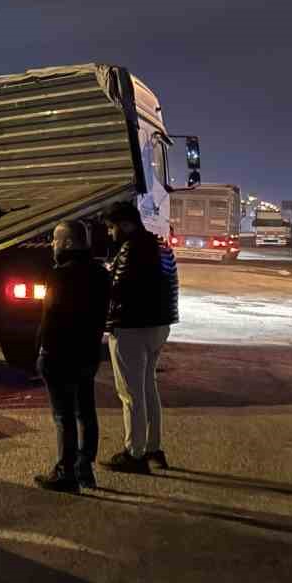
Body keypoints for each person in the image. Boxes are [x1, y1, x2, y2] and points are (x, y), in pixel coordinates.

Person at [32, 220, 112, 493]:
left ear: (67, 243)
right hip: (88, 352)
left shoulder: (60, 275)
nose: (52, 245)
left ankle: (65, 473)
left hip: (59, 354)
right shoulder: (101, 274)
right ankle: (84, 468)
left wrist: (42, 350)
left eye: (55, 240)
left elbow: (50, 317)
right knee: (85, 411)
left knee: (63, 415)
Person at [102, 200, 179, 474]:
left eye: (112, 227)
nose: (110, 233)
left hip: (132, 327)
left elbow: (117, 289)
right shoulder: (161, 245)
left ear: (125, 225)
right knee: (148, 388)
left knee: (130, 393)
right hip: (160, 325)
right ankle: (153, 448)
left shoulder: (131, 249)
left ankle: (134, 454)